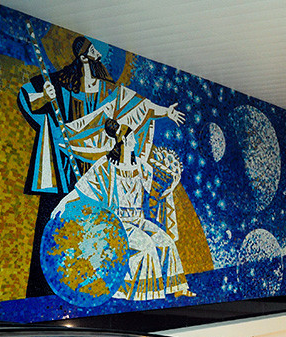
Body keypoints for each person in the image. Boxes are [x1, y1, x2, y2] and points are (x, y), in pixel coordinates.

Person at [19, 35, 184, 297]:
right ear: (83, 56)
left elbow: (139, 105)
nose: (98, 54)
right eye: (93, 50)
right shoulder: (60, 81)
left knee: (99, 235)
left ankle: (97, 285)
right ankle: (48, 291)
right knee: (61, 227)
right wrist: (44, 94)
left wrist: (166, 111)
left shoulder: (110, 92)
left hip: (98, 169)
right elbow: (25, 97)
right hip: (65, 164)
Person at [52, 117, 193, 300]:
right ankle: (146, 295)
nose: (135, 141)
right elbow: (81, 190)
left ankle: (178, 288)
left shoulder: (140, 165)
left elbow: (156, 191)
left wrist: (171, 184)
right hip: (117, 223)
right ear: (125, 141)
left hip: (138, 220)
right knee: (147, 245)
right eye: (133, 138)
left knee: (166, 242)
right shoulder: (105, 166)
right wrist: (61, 205)